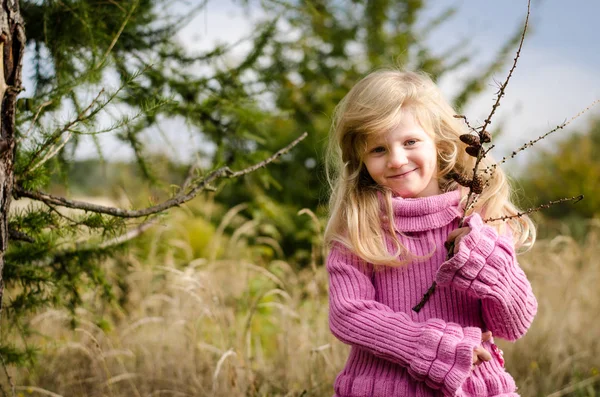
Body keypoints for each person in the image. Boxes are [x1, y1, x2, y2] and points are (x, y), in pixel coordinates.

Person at [324, 69, 537, 396]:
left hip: (476, 388)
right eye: (378, 149)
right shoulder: (359, 228)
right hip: (382, 389)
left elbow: (512, 325)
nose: (396, 160)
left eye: (410, 142)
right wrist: (429, 345)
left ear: (439, 143)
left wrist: (488, 263)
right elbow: (348, 314)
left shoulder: (478, 219)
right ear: (361, 160)